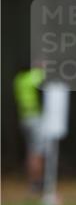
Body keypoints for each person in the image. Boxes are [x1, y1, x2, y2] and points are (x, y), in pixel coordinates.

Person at [13, 62, 46, 193]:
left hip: (24, 118)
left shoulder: (19, 79)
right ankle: (38, 182)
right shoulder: (35, 77)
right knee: (37, 151)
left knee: (31, 151)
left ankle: (33, 180)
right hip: (36, 118)